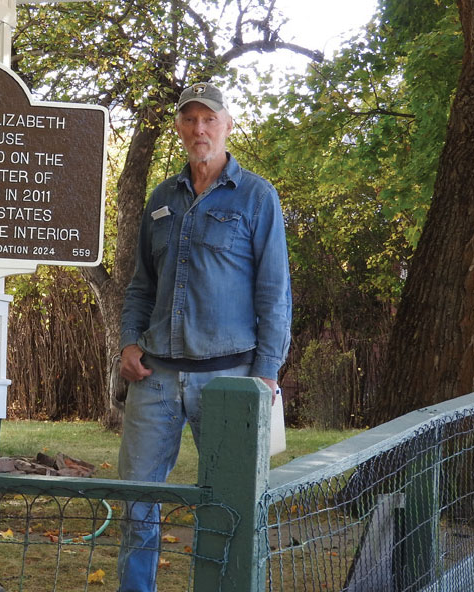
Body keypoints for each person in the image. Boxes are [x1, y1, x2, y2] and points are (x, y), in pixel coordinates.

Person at [116, 82, 291, 591]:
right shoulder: (160, 199)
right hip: (155, 378)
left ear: (228, 124)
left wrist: (265, 374)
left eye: (209, 119)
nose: (200, 129)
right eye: (190, 120)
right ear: (178, 128)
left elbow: (274, 293)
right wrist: (129, 343)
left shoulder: (258, 197)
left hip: (230, 380)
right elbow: (140, 285)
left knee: (231, 504)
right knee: (137, 505)